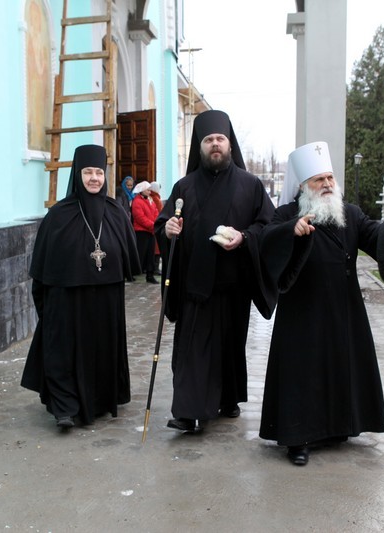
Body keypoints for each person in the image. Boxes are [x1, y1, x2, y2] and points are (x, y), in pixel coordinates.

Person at [258, 141, 384, 465]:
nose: (327, 184)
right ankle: (298, 438)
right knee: (302, 373)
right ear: (303, 186)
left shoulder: (350, 214)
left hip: (345, 310)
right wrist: (292, 231)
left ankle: (338, 427)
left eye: (330, 177)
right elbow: (267, 241)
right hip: (301, 313)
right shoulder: (287, 214)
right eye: (319, 179)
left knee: (340, 367)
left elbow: (376, 237)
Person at [154, 109, 274, 433]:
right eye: (209, 140)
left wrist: (244, 237)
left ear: (230, 144)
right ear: (200, 146)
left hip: (234, 285)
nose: (215, 144)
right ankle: (187, 412)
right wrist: (168, 231)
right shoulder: (184, 187)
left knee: (230, 347)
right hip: (195, 285)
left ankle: (228, 398)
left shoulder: (250, 185)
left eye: (220, 138)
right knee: (192, 349)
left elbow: (268, 226)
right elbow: (163, 223)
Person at [21, 144, 141, 429]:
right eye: (88, 172)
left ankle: (100, 401)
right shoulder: (58, 215)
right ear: (78, 174)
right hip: (68, 300)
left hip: (107, 300)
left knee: (102, 350)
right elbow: (41, 272)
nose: (94, 178)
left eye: (99, 172)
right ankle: (65, 407)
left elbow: (128, 258)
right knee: (65, 349)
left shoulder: (116, 212)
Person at [131, 181, 159, 283]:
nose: (150, 192)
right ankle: (131, 273)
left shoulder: (150, 200)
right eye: (148, 190)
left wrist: (155, 224)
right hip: (141, 232)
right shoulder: (137, 201)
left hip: (150, 231)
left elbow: (156, 212)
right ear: (142, 190)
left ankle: (150, 275)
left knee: (150, 254)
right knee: (140, 253)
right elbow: (139, 217)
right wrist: (152, 225)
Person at [149, 182, 164, 275]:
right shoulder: (156, 199)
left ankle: (154, 268)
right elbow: (160, 212)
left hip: (153, 224)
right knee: (157, 249)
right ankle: (155, 268)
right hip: (155, 225)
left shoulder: (152, 198)